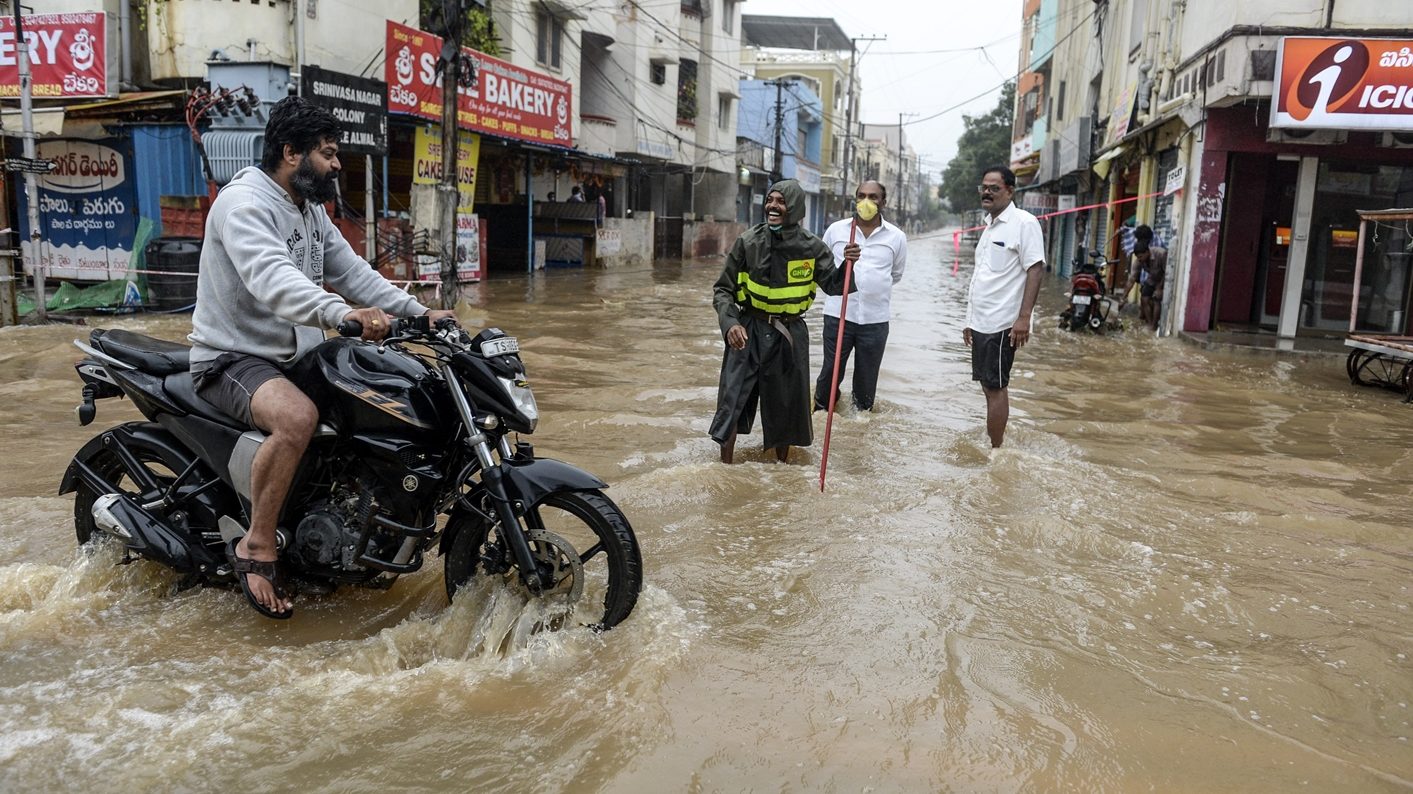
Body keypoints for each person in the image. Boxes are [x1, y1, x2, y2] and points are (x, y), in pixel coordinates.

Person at [187, 96, 456, 618]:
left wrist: (420, 314)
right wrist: (341, 315)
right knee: (297, 418)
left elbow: (354, 271)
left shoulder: (308, 209)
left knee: (374, 392)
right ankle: (258, 545)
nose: (337, 165)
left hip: (292, 354)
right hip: (232, 357)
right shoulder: (244, 204)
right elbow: (273, 280)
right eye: (329, 154)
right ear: (291, 152)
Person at [711, 179, 854, 464]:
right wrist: (730, 324)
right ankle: (723, 468)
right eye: (770, 200)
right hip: (748, 330)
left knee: (786, 407)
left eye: (781, 202)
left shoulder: (812, 247)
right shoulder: (748, 242)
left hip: (789, 334)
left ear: (796, 209)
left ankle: (781, 471)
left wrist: (849, 264)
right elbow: (723, 289)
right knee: (732, 402)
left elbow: (835, 285)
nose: (772, 207)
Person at [964, 165, 1045, 449]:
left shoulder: (1023, 223)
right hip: (982, 321)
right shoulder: (989, 225)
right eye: (983, 187)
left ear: (1010, 191)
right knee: (988, 386)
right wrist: (969, 319)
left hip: (1002, 323)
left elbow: (1035, 269)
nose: (987, 192)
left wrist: (1024, 318)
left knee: (996, 387)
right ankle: (995, 442)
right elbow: (982, 276)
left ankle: (996, 450)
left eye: (994, 188)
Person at [813, 179, 908, 413]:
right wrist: (845, 262)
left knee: (866, 380)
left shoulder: (896, 237)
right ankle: (821, 414)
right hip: (838, 316)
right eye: (861, 195)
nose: (866, 201)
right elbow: (822, 270)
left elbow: (895, 275)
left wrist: (872, 286)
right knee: (830, 374)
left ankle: (860, 424)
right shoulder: (836, 231)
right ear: (855, 199)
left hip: (875, 321)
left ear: (883, 202)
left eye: (873, 197)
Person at [1128, 225, 1168, 330]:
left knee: (1156, 298)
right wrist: (1123, 297)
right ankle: (1149, 324)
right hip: (1150, 278)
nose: (1139, 259)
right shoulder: (1141, 252)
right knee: (1144, 298)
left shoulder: (1159, 250)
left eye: (1140, 257)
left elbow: (1166, 272)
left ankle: (1154, 325)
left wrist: (1159, 288)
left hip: (1161, 278)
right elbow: (1132, 277)